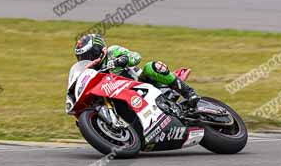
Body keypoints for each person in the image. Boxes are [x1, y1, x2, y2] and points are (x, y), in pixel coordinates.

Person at [73, 33, 201, 112]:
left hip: (141, 84)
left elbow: (136, 56)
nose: (88, 60)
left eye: (89, 55)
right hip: (124, 97)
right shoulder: (91, 72)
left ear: (100, 49)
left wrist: (123, 59)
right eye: (83, 58)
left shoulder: (113, 52)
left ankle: (189, 93)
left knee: (151, 67)